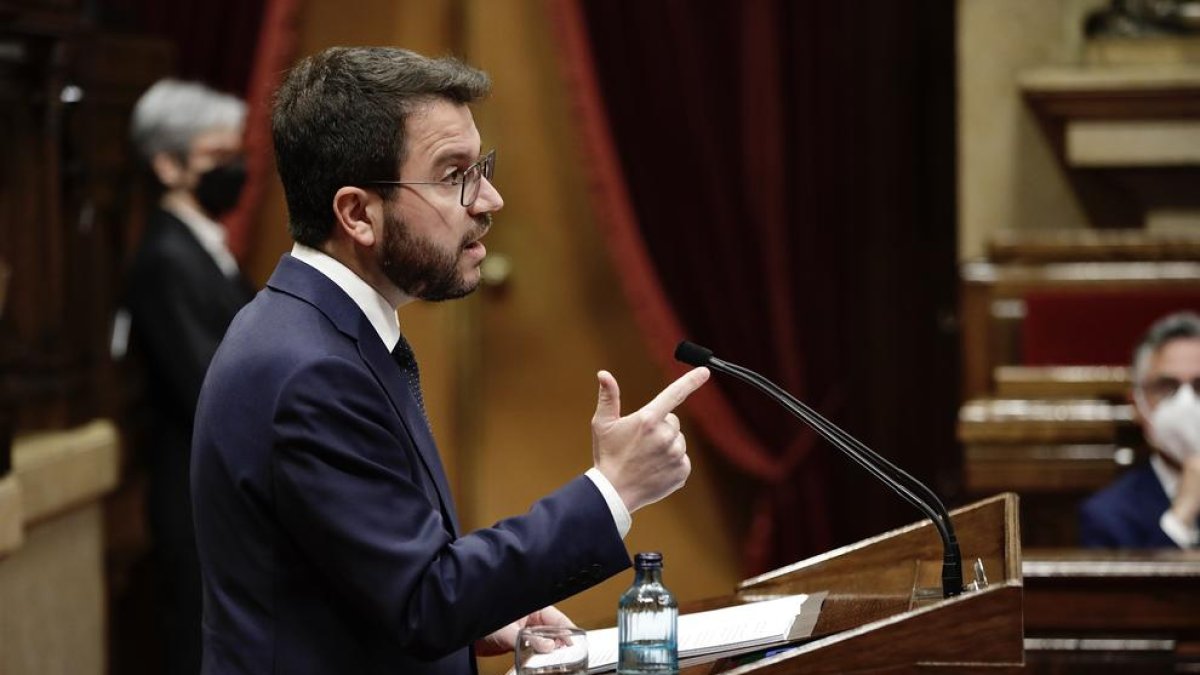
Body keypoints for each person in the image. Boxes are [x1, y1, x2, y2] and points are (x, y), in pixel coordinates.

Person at [190, 46, 710, 675]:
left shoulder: (319, 330)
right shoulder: (308, 368)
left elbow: (381, 576)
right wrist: (614, 489)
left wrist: (485, 610)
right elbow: (424, 600)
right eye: (453, 173)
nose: (489, 200)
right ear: (357, 214)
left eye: (480, 166)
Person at [125, 79, 256, 675]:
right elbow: (209, 382)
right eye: (217, 158)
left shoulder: (203, 244)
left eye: (237, 154)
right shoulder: (164, 257)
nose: (235, 170)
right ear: (167, 164)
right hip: (191, 491)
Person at [1080, 311, 1200, 548]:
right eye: (1167, 387)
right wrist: (1181, 516)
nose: (1187, 403)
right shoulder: (1107, 516)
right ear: (1137, 404)